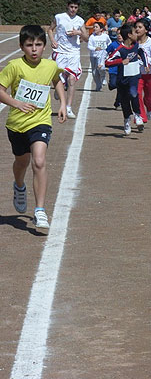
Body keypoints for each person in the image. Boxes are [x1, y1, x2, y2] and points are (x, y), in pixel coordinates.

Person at [0, 25, 67, 232]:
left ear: (44, 46)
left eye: (38, 45)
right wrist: (16, 103)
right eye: (29, 45)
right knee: (22, 162)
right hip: (17, 123)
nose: (34, 49)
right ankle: (19, 186)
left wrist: (63, 103)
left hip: (40, 121)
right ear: (22, 46)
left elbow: (56, 81)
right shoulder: (14, 66)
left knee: (39, 160)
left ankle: (40, 209)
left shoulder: (50, 65)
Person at [48, 0, 89, 119]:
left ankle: (68, 107)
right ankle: (59, 91)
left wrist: (79, 33)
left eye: (76, 7)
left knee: (72, 79)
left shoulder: (80, 20)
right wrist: (52, 40)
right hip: (60, 52)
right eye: (71, 7)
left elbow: (86, 38)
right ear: (67, 6)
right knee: (58, 79)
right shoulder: (59, 17)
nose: (73, 9)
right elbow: (50, 30)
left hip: (73, 53)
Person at [105, 24, 147, 135]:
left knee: (134, 93)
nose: (137, 33)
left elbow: (142, 53)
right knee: (124, 101)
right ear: (129, 35)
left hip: (134, 75)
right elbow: (107, 62)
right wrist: (120, 61)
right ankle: (127, 119)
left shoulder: (136, 46)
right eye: (134, 32)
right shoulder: (120, 49)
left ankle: (138, 115)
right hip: (122, 78)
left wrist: (146, 64)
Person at [135, 18, 151, 122]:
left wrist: (144, 61)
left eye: (140, 27)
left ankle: (149, 107)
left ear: (146, 30)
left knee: (147, 98)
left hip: (150, 74)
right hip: (137, 74)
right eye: (136, 27)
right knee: (137, 94)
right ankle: (140, 117)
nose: (137, 29)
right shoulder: (133, 42)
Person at [87, 22, 110, 92]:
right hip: (94, 56)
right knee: (94, 72)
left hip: (102, 56)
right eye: (94, 27)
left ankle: (103, 78)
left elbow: (109, 43)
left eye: (96, 27)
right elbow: (89, 46)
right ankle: (98, 85)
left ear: (101, 29)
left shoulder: (105, 36)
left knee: (101, 68)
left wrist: (108, 51)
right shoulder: (92, 36)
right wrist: (95, 48)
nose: (94, 28)